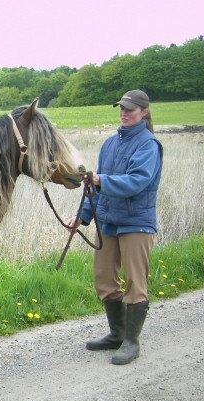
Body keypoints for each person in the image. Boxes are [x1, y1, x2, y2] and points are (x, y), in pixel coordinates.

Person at [66, 89, 163, 365]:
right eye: (121, 108)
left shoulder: (149, 145)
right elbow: (94, 188)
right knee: (105, 279)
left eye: (130, 109)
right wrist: (81, 217)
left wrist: (101, 180)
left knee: (135, 282)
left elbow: (136, 182)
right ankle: (117, 334)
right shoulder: (109, 144)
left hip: (136, 223)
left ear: (144, 112)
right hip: (108, 221)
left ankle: (132, 342)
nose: (124, 112)